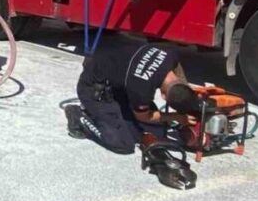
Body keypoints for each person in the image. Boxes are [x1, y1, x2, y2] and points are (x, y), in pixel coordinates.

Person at [64, 42, 199, 154]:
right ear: (163, 96)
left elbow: (178, 69)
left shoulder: (169, 54)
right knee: (123, 144)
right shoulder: (141, 87)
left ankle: (117, 115)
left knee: (156, 133)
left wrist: (188, 100)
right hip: (93, 90)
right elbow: (144, 117)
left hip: (118, 83)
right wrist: (175, 117)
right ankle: (78, 116)